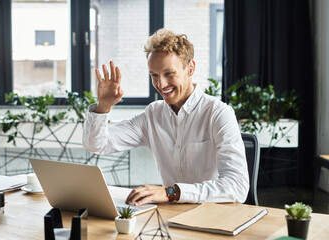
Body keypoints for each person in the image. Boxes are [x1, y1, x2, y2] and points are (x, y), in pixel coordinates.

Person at [83, 28, 249, 206]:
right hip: (173, 216)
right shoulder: (152, 115)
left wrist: (171, 192)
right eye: (154, 75)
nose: (160, 84)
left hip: (214, 215)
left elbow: (237, 186)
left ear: (190, 67)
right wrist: (104, 106)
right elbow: (97, 144)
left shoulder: (218, 114)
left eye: (169, 74)